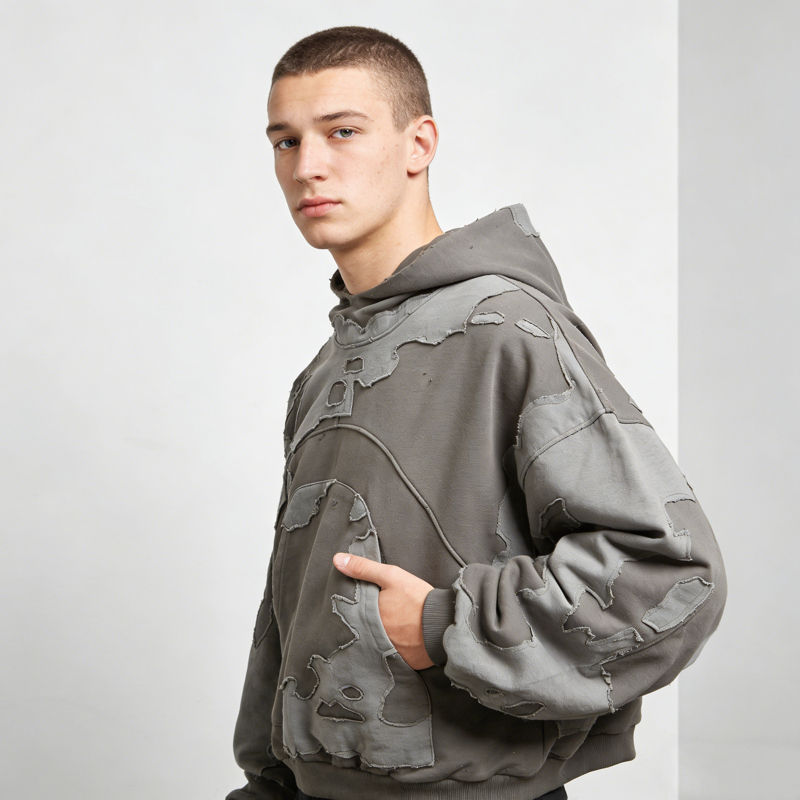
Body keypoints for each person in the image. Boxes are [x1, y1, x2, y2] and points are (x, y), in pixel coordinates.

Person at [225, 25, 727, 800]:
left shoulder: (504, 327)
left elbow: (670, 569)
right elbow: (293, 612)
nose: (308, 165)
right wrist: (270, 780)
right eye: (285, 141)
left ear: (419, 143)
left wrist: (444, 626)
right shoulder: (325, 371)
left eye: (342, 131)